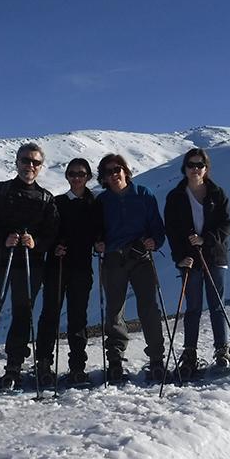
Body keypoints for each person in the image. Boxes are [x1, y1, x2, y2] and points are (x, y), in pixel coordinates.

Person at [0, 142, 59, 391]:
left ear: (40, 166)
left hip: (29, 264)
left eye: (35, 162)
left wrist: (35, 242)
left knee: (22, 314)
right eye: (26, 160)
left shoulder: (46, 199)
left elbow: (52, 234)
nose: (30, 165)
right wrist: (2, 239)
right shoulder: (0, 191)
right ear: (16, 162)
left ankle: (14, 364)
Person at [94, 153, 167, 383]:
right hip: (114, 258)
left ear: (125, 170)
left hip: (140, 257)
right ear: (103, 178)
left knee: (149, 308)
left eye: (117, 169)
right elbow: (95, 230)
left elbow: (157, 227)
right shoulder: (101, 201)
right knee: (115, 310)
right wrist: (97, 242)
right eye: (108, 172)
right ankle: (115, 360)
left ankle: (156, 358)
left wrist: (154, 241)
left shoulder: (144, 195)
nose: (114, 174)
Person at [164, 148, 230, 379]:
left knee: (216, 305)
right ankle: (190, 354)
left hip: (215, 256)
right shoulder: (175, 197)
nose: (195, 169)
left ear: (206, 168)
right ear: (184, 168)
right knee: (193, 307)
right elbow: (171, 231)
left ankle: (222, 350)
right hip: (190, 258)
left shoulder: (217, 193)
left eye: (199, 165)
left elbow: (226, 225)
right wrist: (180, 257)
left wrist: (206, 240)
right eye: (191, 165)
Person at [34, 158, 100, 386]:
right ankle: (43, 362)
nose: (76, 178)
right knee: (50, 315)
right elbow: (47, 231)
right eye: (72, 174)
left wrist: (99, 242)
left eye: (80, 174)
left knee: (77, 318)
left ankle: (77, 366)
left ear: (88, 176)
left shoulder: (95, 204)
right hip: (56, 266)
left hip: (81, 267)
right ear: (67, 177)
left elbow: (99, 231)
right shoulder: (57, 202)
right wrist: (54, 248)